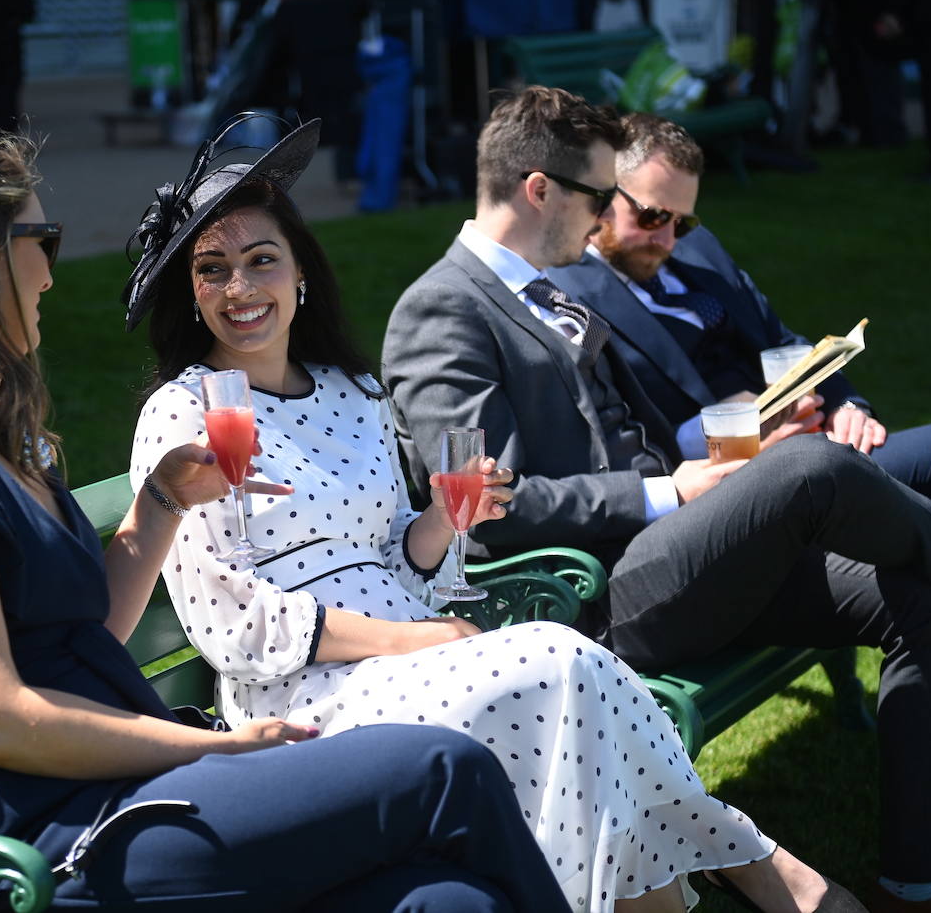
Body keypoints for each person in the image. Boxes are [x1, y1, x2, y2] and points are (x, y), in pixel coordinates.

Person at [0, 116, 575, 912]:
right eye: (41, 242)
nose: (52, 271)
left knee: (448, 897)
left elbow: (89, 636)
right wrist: (213, 747)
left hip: (110, 794)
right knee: (445, 769)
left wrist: (159, 505)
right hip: (20, 843)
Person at [124, 113, 862, 913]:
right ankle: (745, 857)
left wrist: (440, 525)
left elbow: (391, 557)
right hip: (303, 698)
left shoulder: (352, 391)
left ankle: (695, 880)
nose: (240, 288)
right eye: (212, 269)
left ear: (300, 272)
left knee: (570, 686)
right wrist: (418, 636)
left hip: (407, 660)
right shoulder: (182, 417)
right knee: (557, 663)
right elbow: (234, 622)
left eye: (261, 259)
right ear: (191, 294)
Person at [382, 85, 931, 913]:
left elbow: (652, 428)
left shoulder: (549, 285)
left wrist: (734, 448)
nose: (602, 221)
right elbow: (486, 504)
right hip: (601, 598)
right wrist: (666, 491)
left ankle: (921, 884)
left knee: (929, 594)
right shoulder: (440, 308)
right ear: (539, 189)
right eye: (596, 196)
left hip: (690, 553)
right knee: (811, 474)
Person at [546, 112, 931, 518]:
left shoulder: (700, 249)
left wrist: (847, 406)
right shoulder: (568, 297)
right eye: (653, 216)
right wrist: (745, 443)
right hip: (743, 490)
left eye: (682, 222)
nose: (669, 240)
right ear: (602, 196)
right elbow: (615, 446)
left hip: (822, 444)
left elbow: (783, 344)